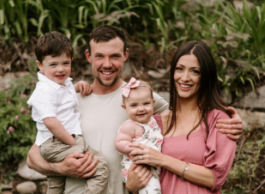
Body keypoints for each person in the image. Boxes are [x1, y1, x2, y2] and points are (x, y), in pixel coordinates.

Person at [26, 26, 243, 194]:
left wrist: (232, 119)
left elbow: (185, 114)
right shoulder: (70, 99)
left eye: (115, 56)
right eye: (100, 56)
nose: (107, 63)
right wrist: (62, 168)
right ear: (88, 56)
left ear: (126, 55)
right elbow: (33, 156)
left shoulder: (140, 99)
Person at [127, 40, 237, 194]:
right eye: (179, 69)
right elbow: (139, 171)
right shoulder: (155, 122)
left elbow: (215, 178)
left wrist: (162, 159)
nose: (185, 77)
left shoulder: (218, 120)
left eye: (195, 71)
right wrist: (131, 186)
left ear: (206, 76)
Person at [27, 31, 109, 194]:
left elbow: (65, 93)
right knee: (100, 167)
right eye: (53, 64)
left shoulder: (59, 85)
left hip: (54, 143)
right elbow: (50, 121)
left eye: (65, 63)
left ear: (71, 60)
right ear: (40, 65)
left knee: (56, 184)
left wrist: (79, 86)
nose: (60, 69)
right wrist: (72, 143)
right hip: (58, 142)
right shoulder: (44, 91)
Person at [115, 78, 163, 194]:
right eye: (134, 105)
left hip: (151, 166)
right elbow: (119, 143)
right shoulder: (130, 126)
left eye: (146, 103)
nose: (141, 108)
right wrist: (135, 149)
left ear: (153, 103)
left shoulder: (152, 121)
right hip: (137, 169)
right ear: (125, 108)